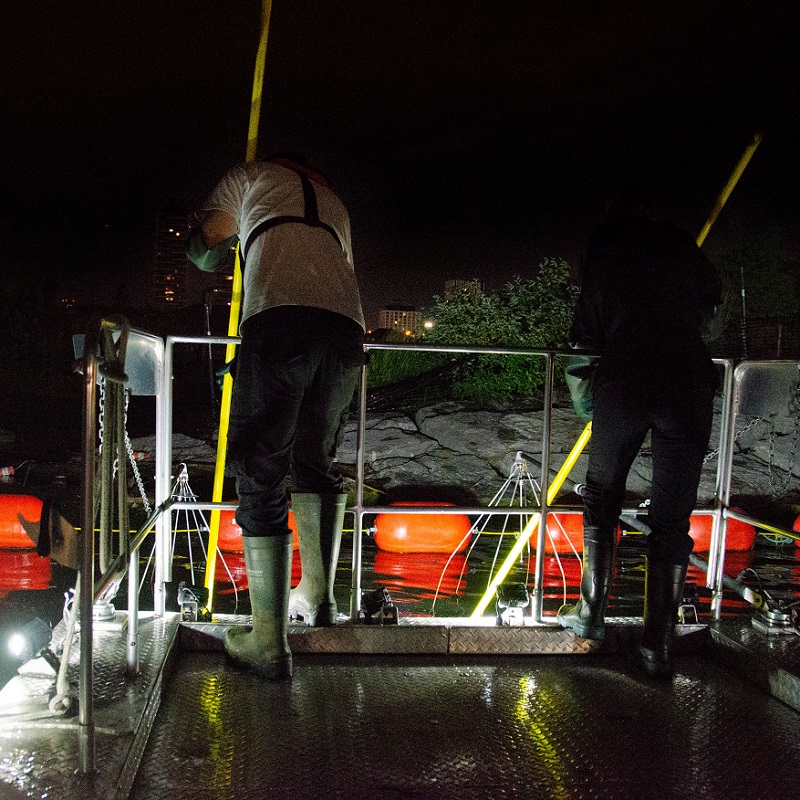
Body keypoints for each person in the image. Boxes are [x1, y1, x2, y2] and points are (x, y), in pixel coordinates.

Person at [187, 153, 365, 681]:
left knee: (260, 466)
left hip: (279, 318)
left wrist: (210, 243)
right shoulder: (334, 202)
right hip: (345, 330)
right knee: (316, 460)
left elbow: (203, 252)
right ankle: (319, 598)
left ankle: (268, 642)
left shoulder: (248, 176)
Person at [557, 185, 723, 679]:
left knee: (603, 492)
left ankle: (591, 616)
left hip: (627, 372)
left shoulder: (604, 249)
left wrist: (591, 404)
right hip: (689, 376)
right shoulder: (681, 244)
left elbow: (585, 333)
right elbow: (711, 307)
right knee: (673, 515)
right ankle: (658, 646)